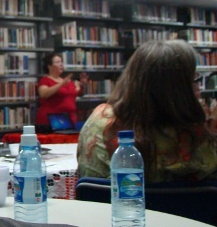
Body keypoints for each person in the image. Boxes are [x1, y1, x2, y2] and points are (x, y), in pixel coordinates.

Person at [77, 40, 217, 183]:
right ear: (181, 89)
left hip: (110, 205)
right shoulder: (195, 138)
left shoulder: (100, 120)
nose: (198, 89)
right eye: (193, 80)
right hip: (180, 205)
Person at [35, 53, 88, 126]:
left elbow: (76, 94)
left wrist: (83, 85)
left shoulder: (67, 81)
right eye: (57, 62)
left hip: (69, 118)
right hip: (52, 120)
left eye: (61, 62)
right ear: (50, 66)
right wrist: (61, 84)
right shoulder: (45, 80)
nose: (61, 64)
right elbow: (43, 94)